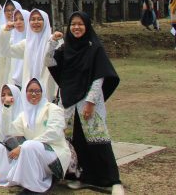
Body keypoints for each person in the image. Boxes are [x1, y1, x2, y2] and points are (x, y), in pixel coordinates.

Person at [48, 11, 124, 194]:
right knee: (75, 142)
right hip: (69, 102)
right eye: (73, 24)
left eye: (80, 24)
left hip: (88, 101)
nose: (76, 27)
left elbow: (99, 77)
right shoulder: (66, 48)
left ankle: (113, 181)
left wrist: (90, 102)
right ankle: (81, 177)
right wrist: (52, 42)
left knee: (99, 140)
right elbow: (48, 62)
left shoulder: (94, 48)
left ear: (87, 26)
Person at [0, 78, 70, 193]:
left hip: (55, 155)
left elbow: (54, 133)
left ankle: (34, 188)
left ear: (42, 92)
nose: (33, 94)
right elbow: (7, 131)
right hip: (34, 153)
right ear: (25, 93)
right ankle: (4, 179)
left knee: (28, 145)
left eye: (37, 91)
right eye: (30, 91)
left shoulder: (53, 109)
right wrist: (6, 108)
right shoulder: (24, 114)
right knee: (3, 146)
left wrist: (22, 147)